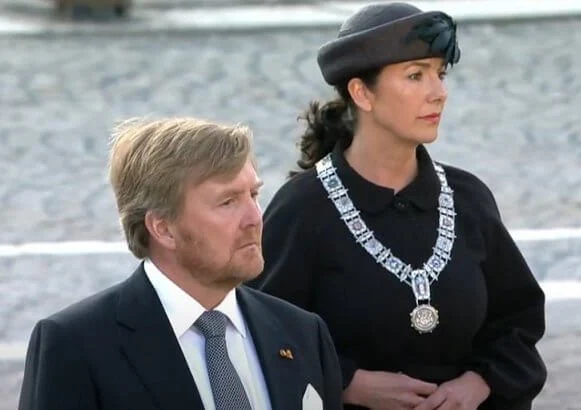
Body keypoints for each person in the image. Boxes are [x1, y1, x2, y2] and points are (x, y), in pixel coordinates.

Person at [247, 3, 547, 410]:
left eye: (439, 74)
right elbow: (262, 334)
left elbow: (517, 320)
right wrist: (347, 383)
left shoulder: (469, 198)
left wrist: (479, 382)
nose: (438, 92)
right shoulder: (303, 210)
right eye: (415, 75)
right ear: (361, 92)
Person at [18, 118, 344, 410]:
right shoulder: (76, 346)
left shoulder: (303, 333)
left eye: (254, 196)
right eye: (228, 202)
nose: (255, 219)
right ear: (163, 228)